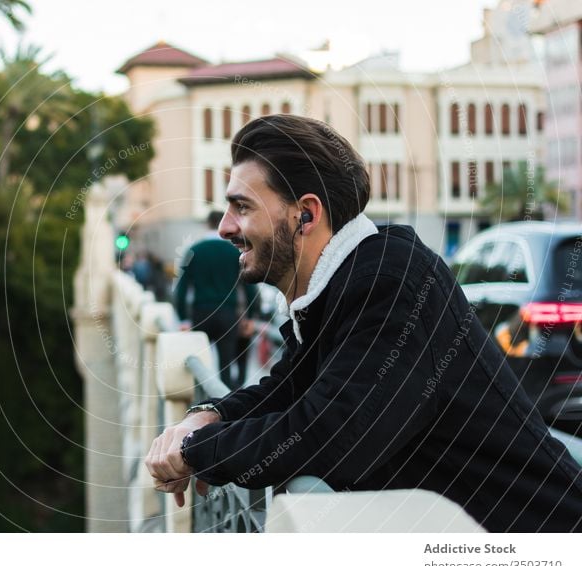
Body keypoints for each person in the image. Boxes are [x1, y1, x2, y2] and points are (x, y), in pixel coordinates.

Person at [145, 114, 582, 532]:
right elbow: (287, 388)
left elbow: (333, 434)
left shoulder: (391, 282)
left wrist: (195, 452)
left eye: (241, 207)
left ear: (306, 215)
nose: (225, 227)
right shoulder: (345, 283)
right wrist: (207, 417)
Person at [174, 210, 259, 390]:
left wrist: (183, 318)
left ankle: (199, 405)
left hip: (201, 313)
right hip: (228, 314)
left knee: (199, 364)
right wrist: (251, 316)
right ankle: (225, 409)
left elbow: (181, 288)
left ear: (207, 224)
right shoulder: (234, 251)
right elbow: (250, 287)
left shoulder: (194, 251)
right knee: (225, 365)